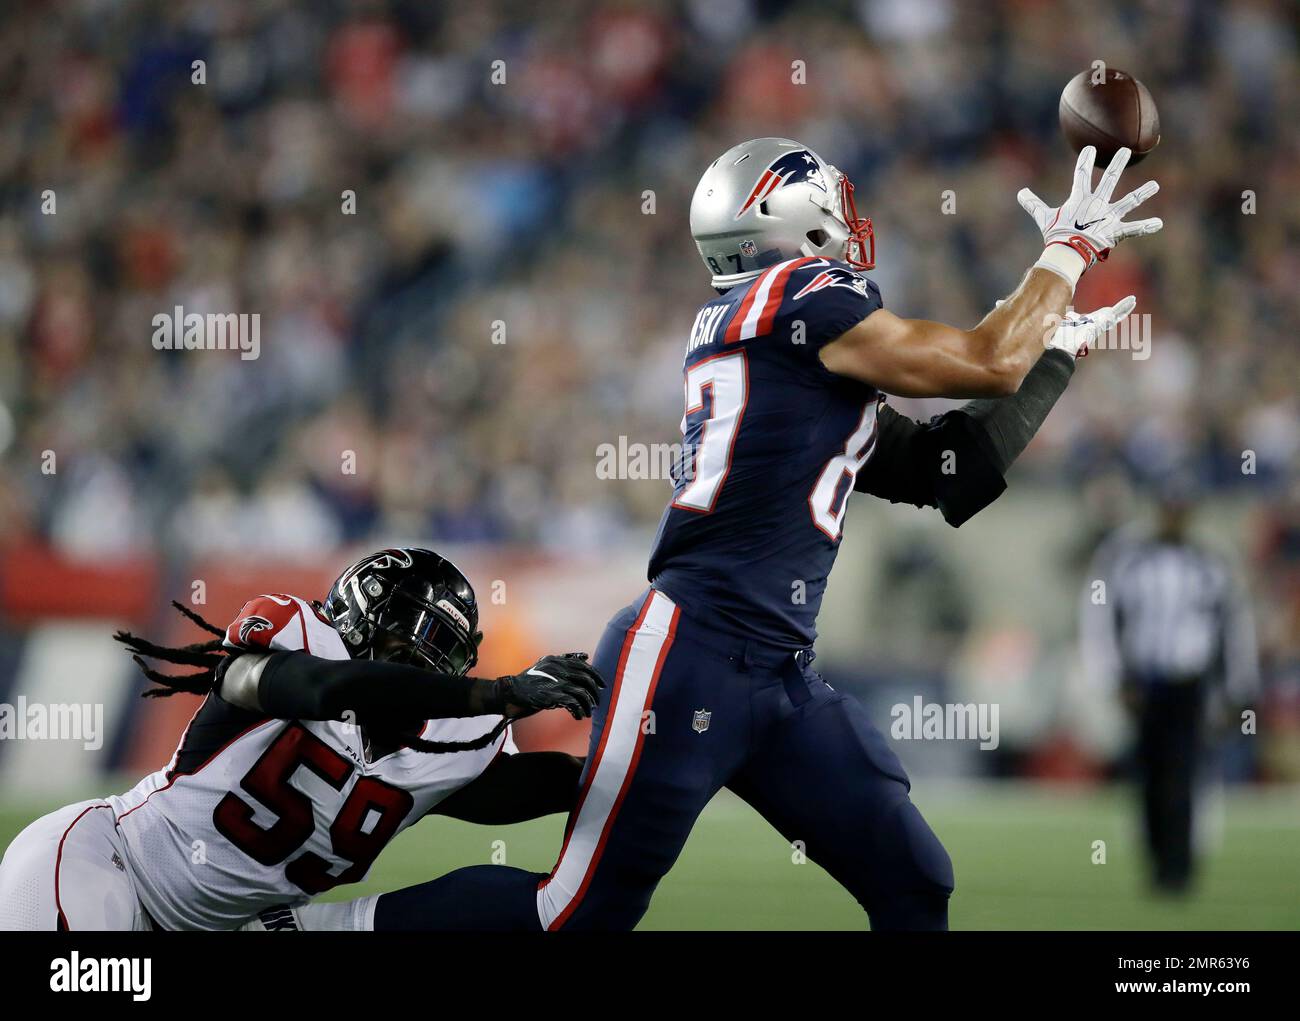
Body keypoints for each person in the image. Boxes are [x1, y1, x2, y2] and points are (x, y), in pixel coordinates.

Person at [300, 137, 1161, 931]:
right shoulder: (801, 296)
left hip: (776, 672)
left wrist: (1057, 351)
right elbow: (985, 361)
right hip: (688, 654)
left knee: (913, 878)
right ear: (796, 219)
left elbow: (951, 473)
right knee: (573, 914)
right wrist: (1068, 252)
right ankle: (337, 928)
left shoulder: (781, 342)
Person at [0, 546, 603, 930]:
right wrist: (496, 694)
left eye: (444, 652)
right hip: (107, 866)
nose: (424, 665)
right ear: (357, 623)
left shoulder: (450, 741)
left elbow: (537, 787)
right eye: (409, 643)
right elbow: (323, 689)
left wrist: (650, 761)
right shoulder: (293, 645)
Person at [1081, 485, 1259, 891]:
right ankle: (1157, 859)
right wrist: (1114, 677)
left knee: (1183, 772)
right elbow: (1100, 616)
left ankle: (1179, 868)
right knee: (1149, 773)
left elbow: (1234, 625)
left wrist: (1237, 686)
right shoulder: (1128, 557)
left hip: (1189, 682)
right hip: (1145, 682)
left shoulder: (1211, 561)